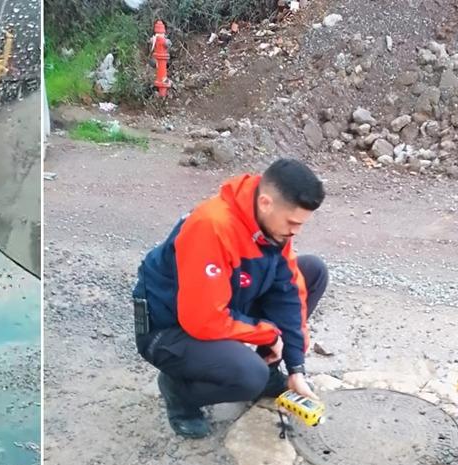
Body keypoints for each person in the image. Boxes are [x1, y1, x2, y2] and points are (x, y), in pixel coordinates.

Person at [131, 158, 329, 439]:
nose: (295, 231)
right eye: (292, 222)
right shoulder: (212, 226)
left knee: (312, 272)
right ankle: (179, 393)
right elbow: (202, 321)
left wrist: (296, 366)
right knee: (249, 375)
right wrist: (268, 334)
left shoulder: (271, 228)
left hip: (219, 304)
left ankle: (268, 370)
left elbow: (287, 293)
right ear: (265, 203)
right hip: (169, 328)